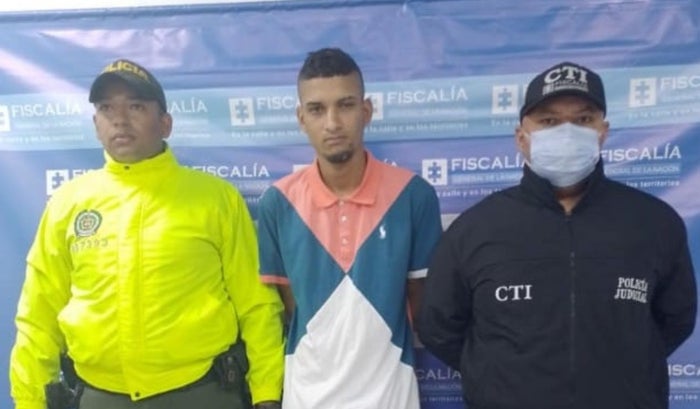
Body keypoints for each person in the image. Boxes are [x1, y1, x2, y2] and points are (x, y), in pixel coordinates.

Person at [417, 61, 698, 409]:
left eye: (583, 119)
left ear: (603, 131)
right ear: (521, 137)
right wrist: (495, 380)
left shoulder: (653, 222)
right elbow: (438, 327)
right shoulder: (476, 229)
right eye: (549, 121)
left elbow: (675, 321)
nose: (567, 133)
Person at [9, 59, 284, 409]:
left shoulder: (216, 199)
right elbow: (38, 315)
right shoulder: (68, 203)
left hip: (202, 392)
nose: (120, 120)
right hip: (99, 396)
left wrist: (267, 393)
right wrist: (30, 400)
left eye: (136, 106)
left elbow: (257, 305)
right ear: (95, 125)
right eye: (107, 108)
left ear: (165, 124)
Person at [256, 47, 443, 409]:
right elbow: (290, 306)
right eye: (317, 109)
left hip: (391, 396)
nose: (332, 123)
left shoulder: (413, 195)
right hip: (306, 395)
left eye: (345, 105)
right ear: (301, 118)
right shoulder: (277, 203)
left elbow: (421, 303)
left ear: (366, 111)